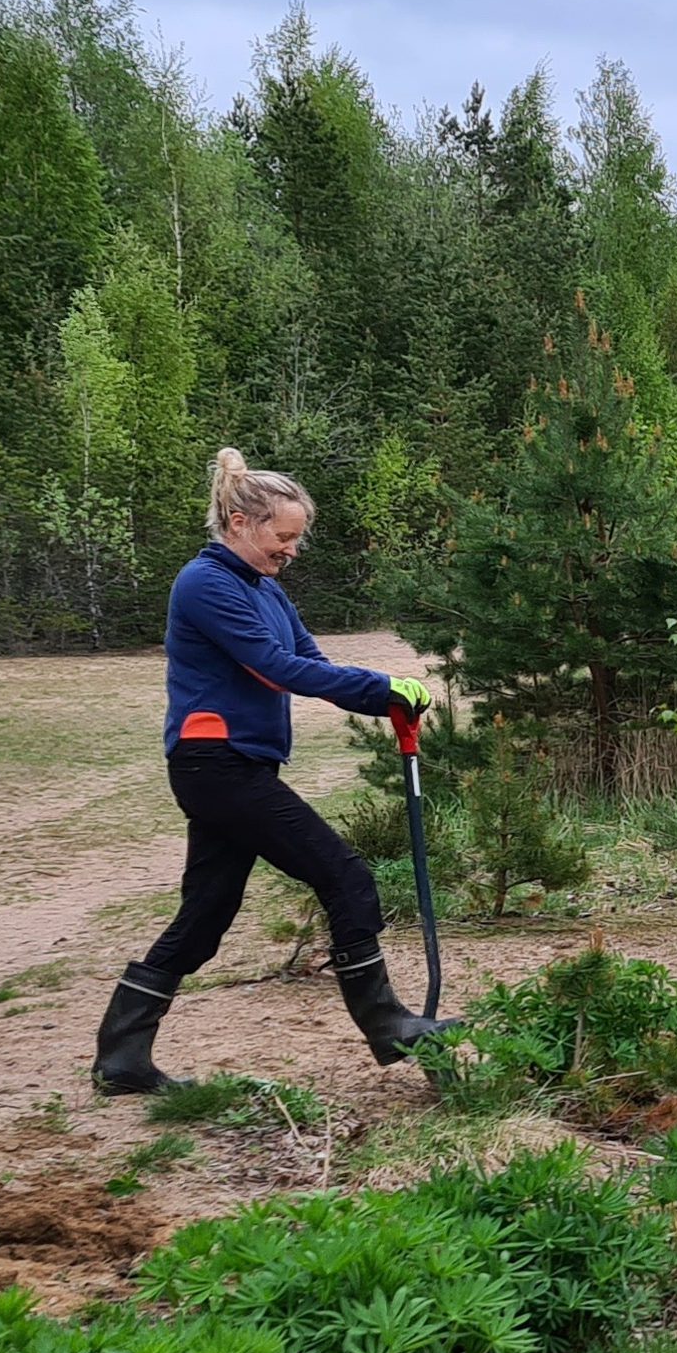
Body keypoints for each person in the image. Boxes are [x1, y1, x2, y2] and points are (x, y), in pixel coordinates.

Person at [91, 451, 445, 1097]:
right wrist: (377, 688)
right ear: (240, 522)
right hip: (216, 764)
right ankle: (387, 1023)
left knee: (206, 915)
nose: (292, 550)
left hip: (233, 766)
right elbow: (272, 667)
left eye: (297, 538)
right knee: (344, 876)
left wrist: (382, 696)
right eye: (283, 536)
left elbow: (308, 661)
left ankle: (121, 1060)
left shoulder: (265, 590)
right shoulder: (206, 583)